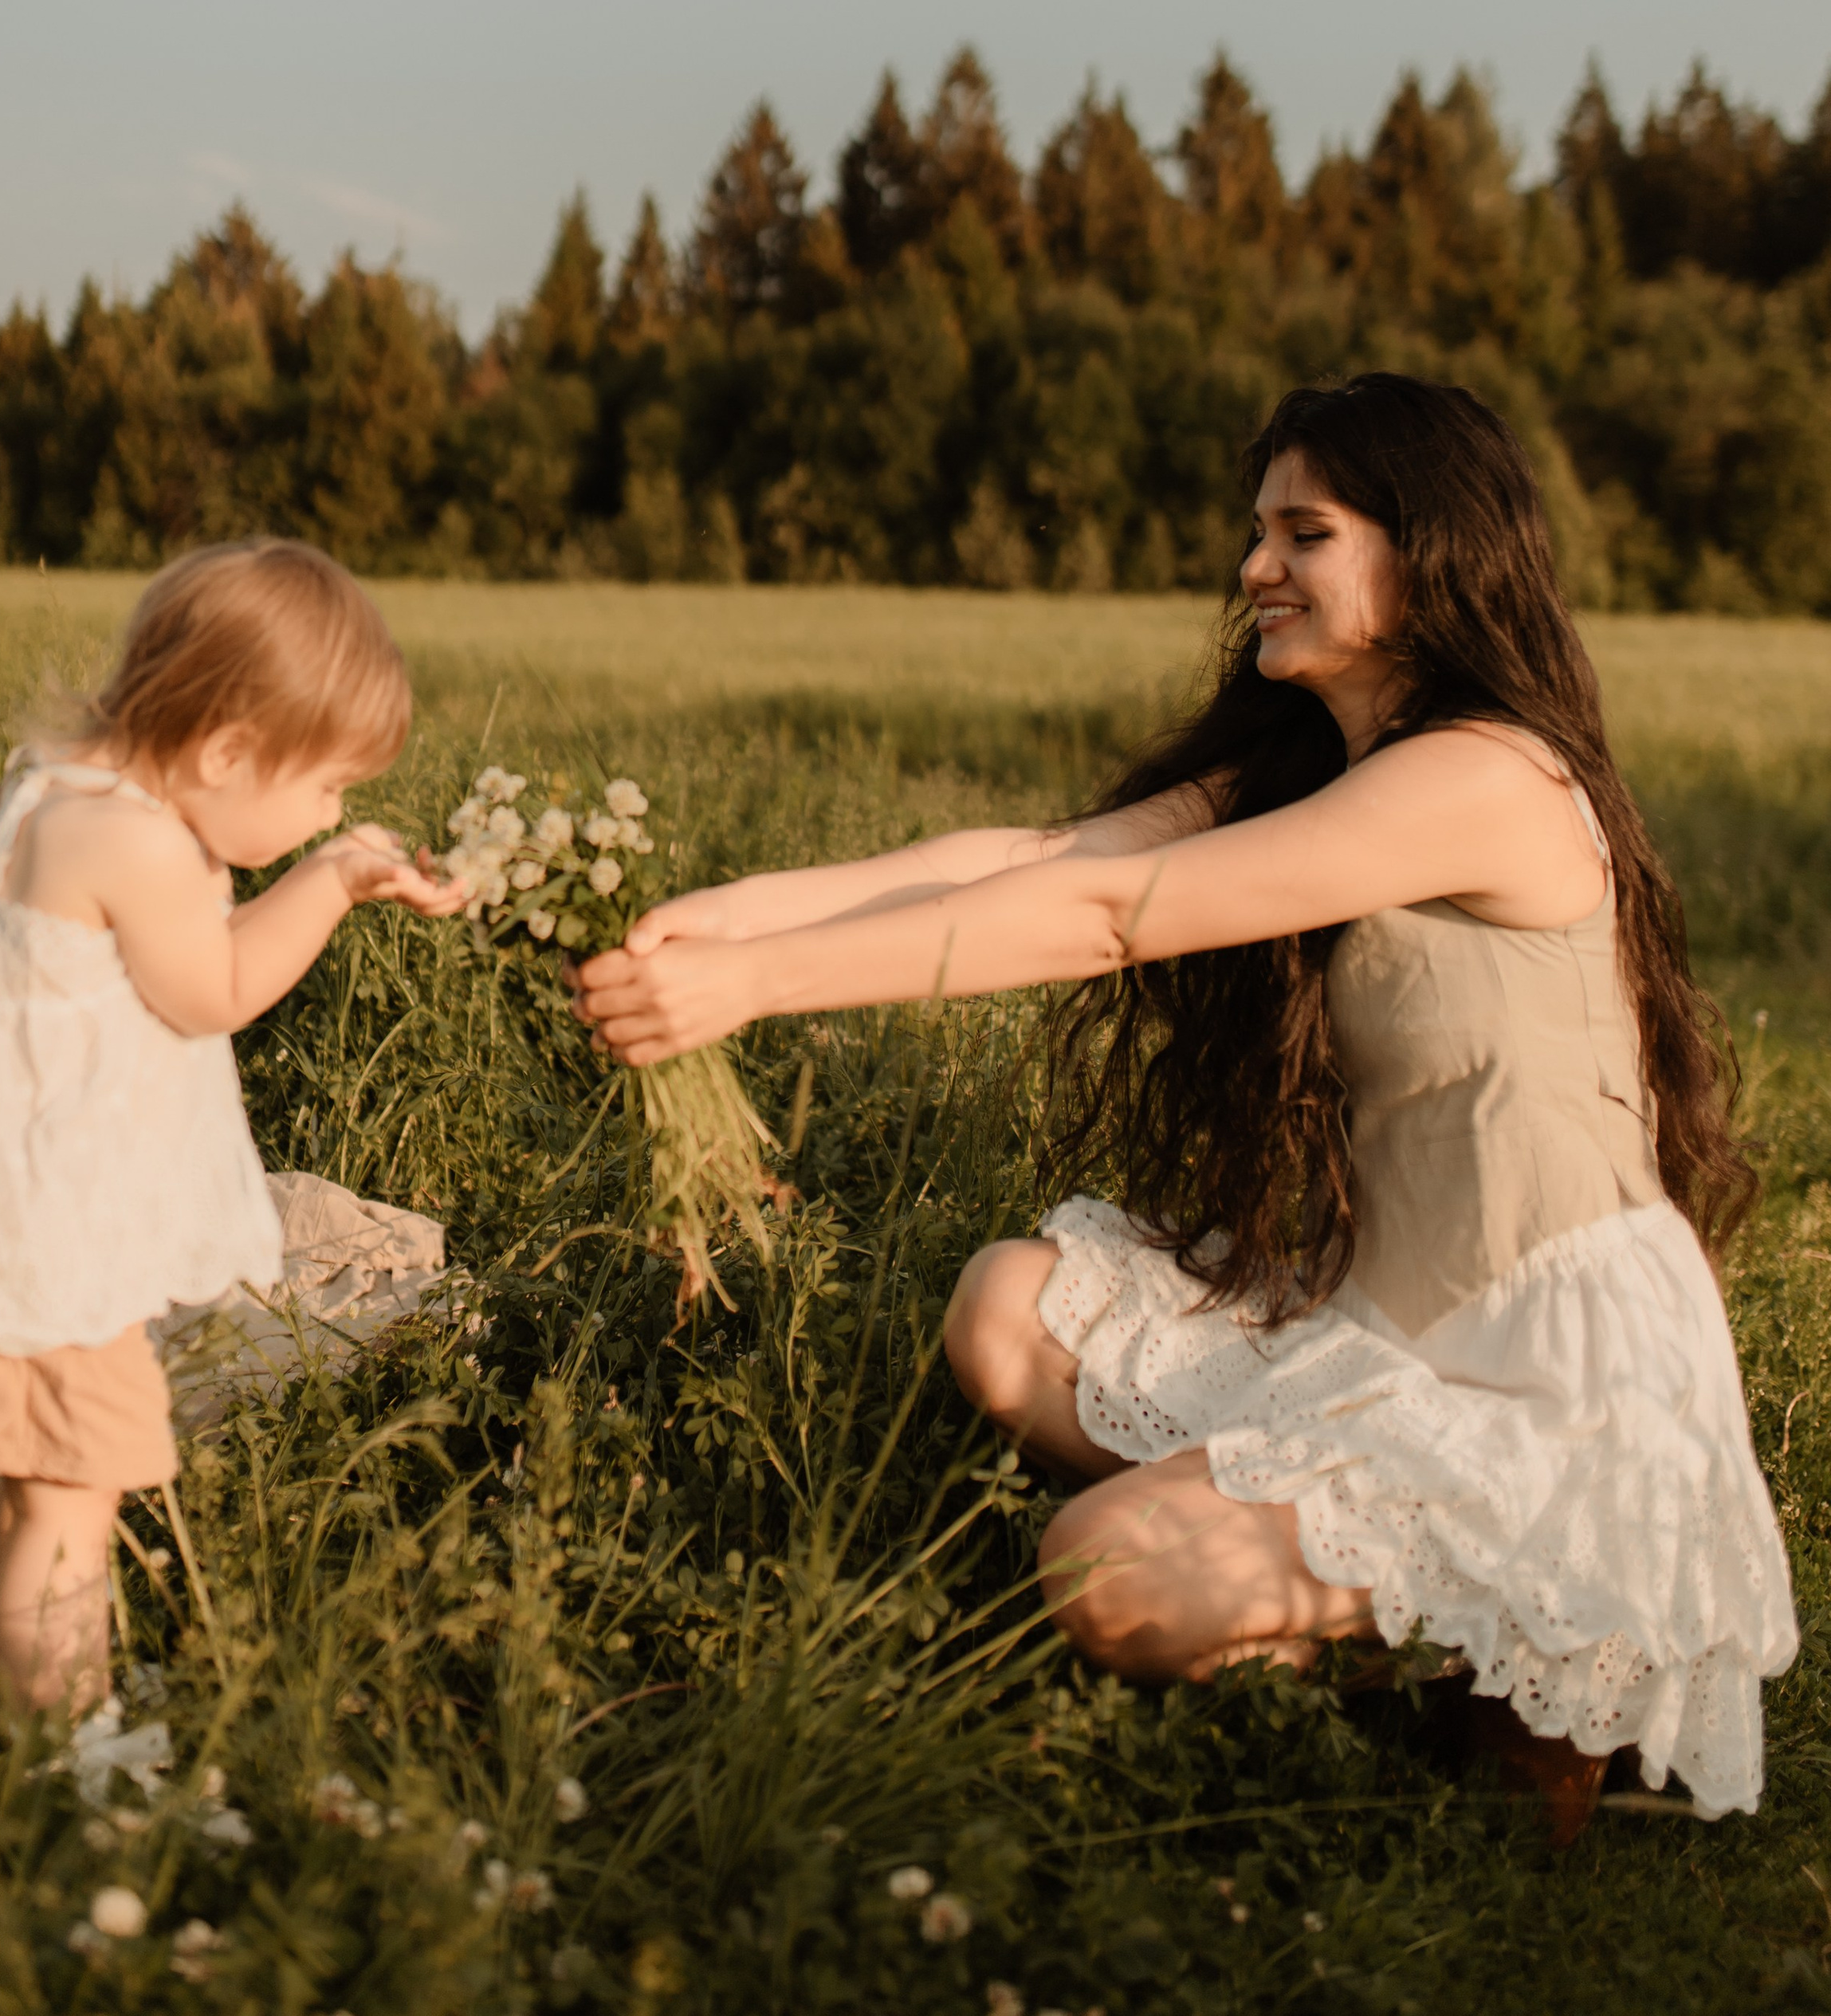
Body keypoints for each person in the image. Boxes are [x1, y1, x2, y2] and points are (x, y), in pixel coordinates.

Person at [576, 374, 1797, 1833]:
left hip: (1547, 1385)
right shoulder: (1328, 766)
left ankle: (1505, 1668)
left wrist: (764, 988)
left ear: (1432, 554)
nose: (1255, 568)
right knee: (1006, 1309)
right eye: (1259, 531)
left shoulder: (1486, 777)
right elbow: (1040, 854)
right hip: (1395, 1334)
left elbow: (1108, 918)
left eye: (1306, 532)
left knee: (1103, 1571)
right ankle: (1427, 1640)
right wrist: (731, 919)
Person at [0, 539, 464, 1713]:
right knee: (78, 1483)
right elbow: (211, 990)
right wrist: (327, 882)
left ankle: (32, 1680)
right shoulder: (138, 843)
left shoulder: (70, 785)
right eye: (327, 786)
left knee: (40, 1477)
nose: (338, 808)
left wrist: (317, 849)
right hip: (43, 1246)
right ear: (227, 750)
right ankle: (66, 1737)